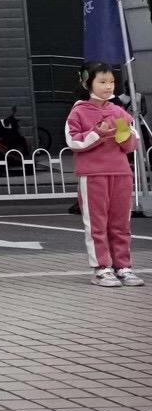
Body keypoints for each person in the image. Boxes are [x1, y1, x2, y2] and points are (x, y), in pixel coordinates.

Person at [65, 62, 143, 288]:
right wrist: (97, 133)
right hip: (93, 175)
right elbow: (74, 142)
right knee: (96, 224)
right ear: (86, 83)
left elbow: (131, 145)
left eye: (111, 82)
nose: (108, 86)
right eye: (102, 82)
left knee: (121, 224)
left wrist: (124, 135)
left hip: (121, 173)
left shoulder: (118, 112)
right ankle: (101, 268)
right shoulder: (78, 112)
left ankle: (123, 266)